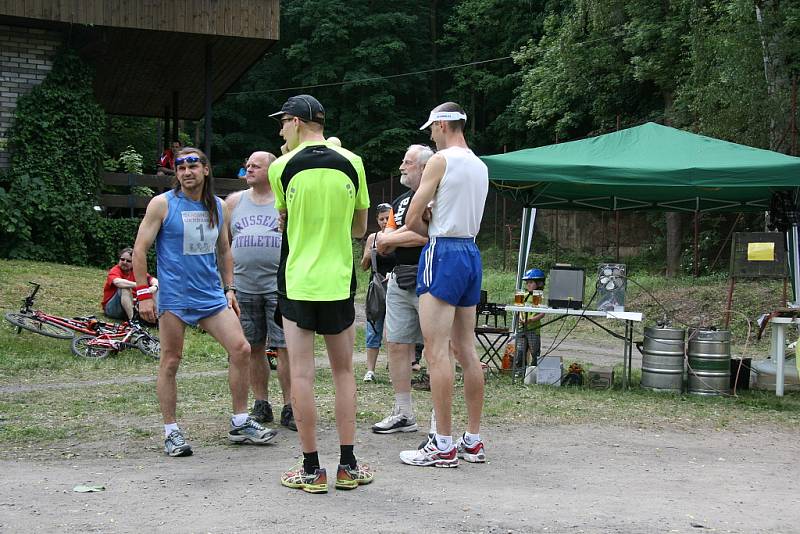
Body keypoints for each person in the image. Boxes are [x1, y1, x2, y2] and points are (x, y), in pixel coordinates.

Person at [133, 147, 277, 458]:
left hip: (211, 295)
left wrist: (230, 289)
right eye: (181, 168)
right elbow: (140, 250)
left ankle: (240, 421)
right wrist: (144, 293)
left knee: (241, 348)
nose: (186, 172)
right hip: (174, 296)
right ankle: (171, 431)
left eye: (192, 166)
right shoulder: (162, 204)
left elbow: (225, 251)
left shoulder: (219, 207)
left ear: (206, 170)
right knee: (171, 361)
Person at [267, 95, 373, 493]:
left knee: (302, 374)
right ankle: (348, 465)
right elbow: (360, 229)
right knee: (344, 372)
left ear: (296, 123)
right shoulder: (353, 162)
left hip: (297, 281)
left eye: (283, 124)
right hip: (338, 280)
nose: (280, 130)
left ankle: (311, 469)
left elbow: (285, 220)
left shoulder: (281, 167)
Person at [400, 102, 489, 468]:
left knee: (436, 352)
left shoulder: (440, 160)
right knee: (467, 350)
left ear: (441, 125)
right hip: (470, 251)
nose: (431, 135)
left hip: (443, 250)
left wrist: (427, 225)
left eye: (432, 129)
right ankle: (473, 439)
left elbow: (410, 216)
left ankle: (443, 444)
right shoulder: (481, 165)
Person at [226, 150, 296, 431]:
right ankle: (261, 404)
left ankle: (291, 406)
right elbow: (224, 245)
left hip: (278, 287)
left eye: (256, 165)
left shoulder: (285, 203)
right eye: (248, 164)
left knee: (284, 347)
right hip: (244, 286)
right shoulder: (233, 202)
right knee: (252, 347)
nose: (249, 168)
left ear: (272, 170)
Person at [371, 144, 434, 434]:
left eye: (407, 163)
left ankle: (439, 419)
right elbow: (389, 235)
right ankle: (404, 413)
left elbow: (434, 238)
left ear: (424, 167)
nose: (401, 167)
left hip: (430, 277)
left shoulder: (437, 195)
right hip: (399, 277)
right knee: (396, 344)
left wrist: (391, 240)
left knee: (437, 348)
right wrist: (386, 242)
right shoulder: (400, 201)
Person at [359, 203, 396, 382]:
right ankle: (370, 370)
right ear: (377, 220)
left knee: (394, 331)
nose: (384, 222)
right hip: (376, 288)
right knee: (373, 327)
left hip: (396, 286)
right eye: (381, 219)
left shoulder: (399, 236)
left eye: (387, 218)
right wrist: (370, 253)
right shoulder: (372, 238)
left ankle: (393, 371)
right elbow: (364, 266)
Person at [101, 247, 159, 320]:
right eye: (122, 259)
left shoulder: (136, 272)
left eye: (128, 261)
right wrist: (141, 286)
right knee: (124, 288)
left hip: (130, 307)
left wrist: (155, 287)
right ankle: (133, 320)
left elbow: (154, 280)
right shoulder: (115, 270)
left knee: (155, 289)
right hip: (112, 309)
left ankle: (155, 318)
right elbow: (118, 282)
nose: (124, 262)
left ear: (134, 262)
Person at [515, 268, 546, 371]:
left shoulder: (540, 297)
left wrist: (531, 320)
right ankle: (520, 371)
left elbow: (542, 314)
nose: (528, 285)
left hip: (533, 328)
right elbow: (518, 309)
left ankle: (534, 371)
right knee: (520, 350)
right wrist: (521, 319)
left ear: (539, 283)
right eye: (527, 283)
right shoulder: (523, 295)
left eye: (531, 282)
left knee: (534, 351)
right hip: (522, 327)